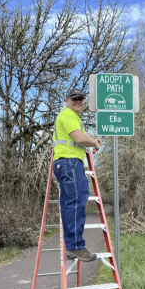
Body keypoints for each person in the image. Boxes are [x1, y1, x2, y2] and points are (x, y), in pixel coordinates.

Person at [53, 88, 101, 262]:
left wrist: (91, 140)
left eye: (80, 99)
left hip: (67, 163)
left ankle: (72, 245)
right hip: (69, 162)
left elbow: (79, 138)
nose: (78, 101)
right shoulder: (67, 115)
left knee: (70, 203)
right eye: (74, 99)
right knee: (76, 202)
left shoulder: (73, 118)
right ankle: (75, 247)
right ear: (67, 100)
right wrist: (94, 141)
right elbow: (80, 138)